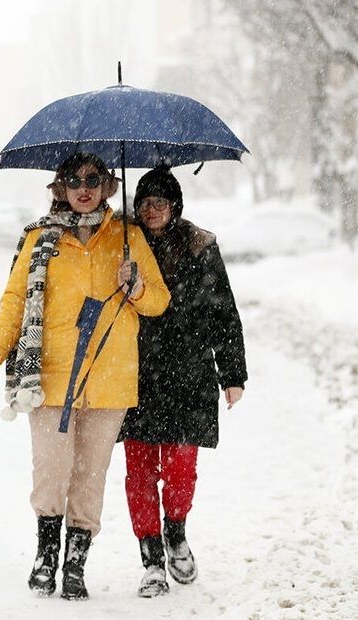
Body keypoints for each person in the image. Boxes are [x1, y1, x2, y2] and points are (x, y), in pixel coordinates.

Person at [0, 152, 170, 601]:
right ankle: (45, 558)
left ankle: (76, 564)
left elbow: (158, 301)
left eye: (94, 180)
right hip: (51, 376)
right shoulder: (40, 238)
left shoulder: (128, 237)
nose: (85, 188)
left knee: (90, 476)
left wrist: (135, 285)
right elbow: (15, 301)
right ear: (60, 187)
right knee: (52, 470)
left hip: (110, 377)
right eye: (75, 180)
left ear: (106, 186)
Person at [120, 166, 248, 598]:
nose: (151, 210)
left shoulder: (201, 247)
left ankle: (176, 532)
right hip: (135, 373)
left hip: (189, 373)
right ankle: (151, 557)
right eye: (144, 203)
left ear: (175, 205)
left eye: (159, 202)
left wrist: (232, 374)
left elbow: (223, 312)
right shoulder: (124, 245)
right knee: (139, 470)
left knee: (180, 468)